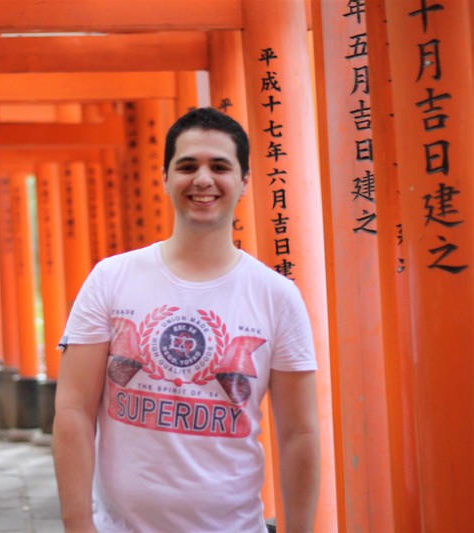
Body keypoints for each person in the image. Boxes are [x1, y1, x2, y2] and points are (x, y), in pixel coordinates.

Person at [52, 107, 320, 533]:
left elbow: (299, 434)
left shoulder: (277, 297)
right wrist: (78, 526)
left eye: (220, 166)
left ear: (244, 181)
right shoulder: (111, 278)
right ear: (164, 178)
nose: (202, 180)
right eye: (187, 166)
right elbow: (73, 411)